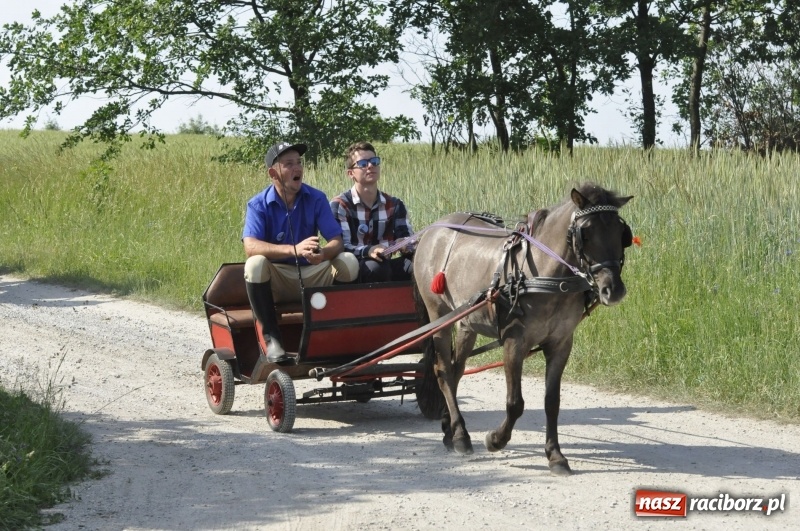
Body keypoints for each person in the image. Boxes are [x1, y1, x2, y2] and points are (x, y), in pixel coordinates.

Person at [242, 141, 358, 364]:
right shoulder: (258, 204)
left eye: (299, 163)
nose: (297, 169)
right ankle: (273, 341)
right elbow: (251, 246)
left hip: (312, 273)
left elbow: (336, 240)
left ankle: (336, 335)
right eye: (289, 164)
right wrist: (293, 250)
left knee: (349, 261)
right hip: (278, 279)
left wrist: (323, 254)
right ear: (273, 173)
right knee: (254, 265)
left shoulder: (316, 198)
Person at [330, 141, 414, 283]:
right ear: (351, 173)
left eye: (374, 161)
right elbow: (342, 247)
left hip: (386, 263)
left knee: (418, 266)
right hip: (356, 268)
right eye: (363, 164)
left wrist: (407, 245)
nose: (370, 166)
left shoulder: (395, 204)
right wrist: (369, 250)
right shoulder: (340, 205)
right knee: (376, 267)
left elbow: (407, 237)